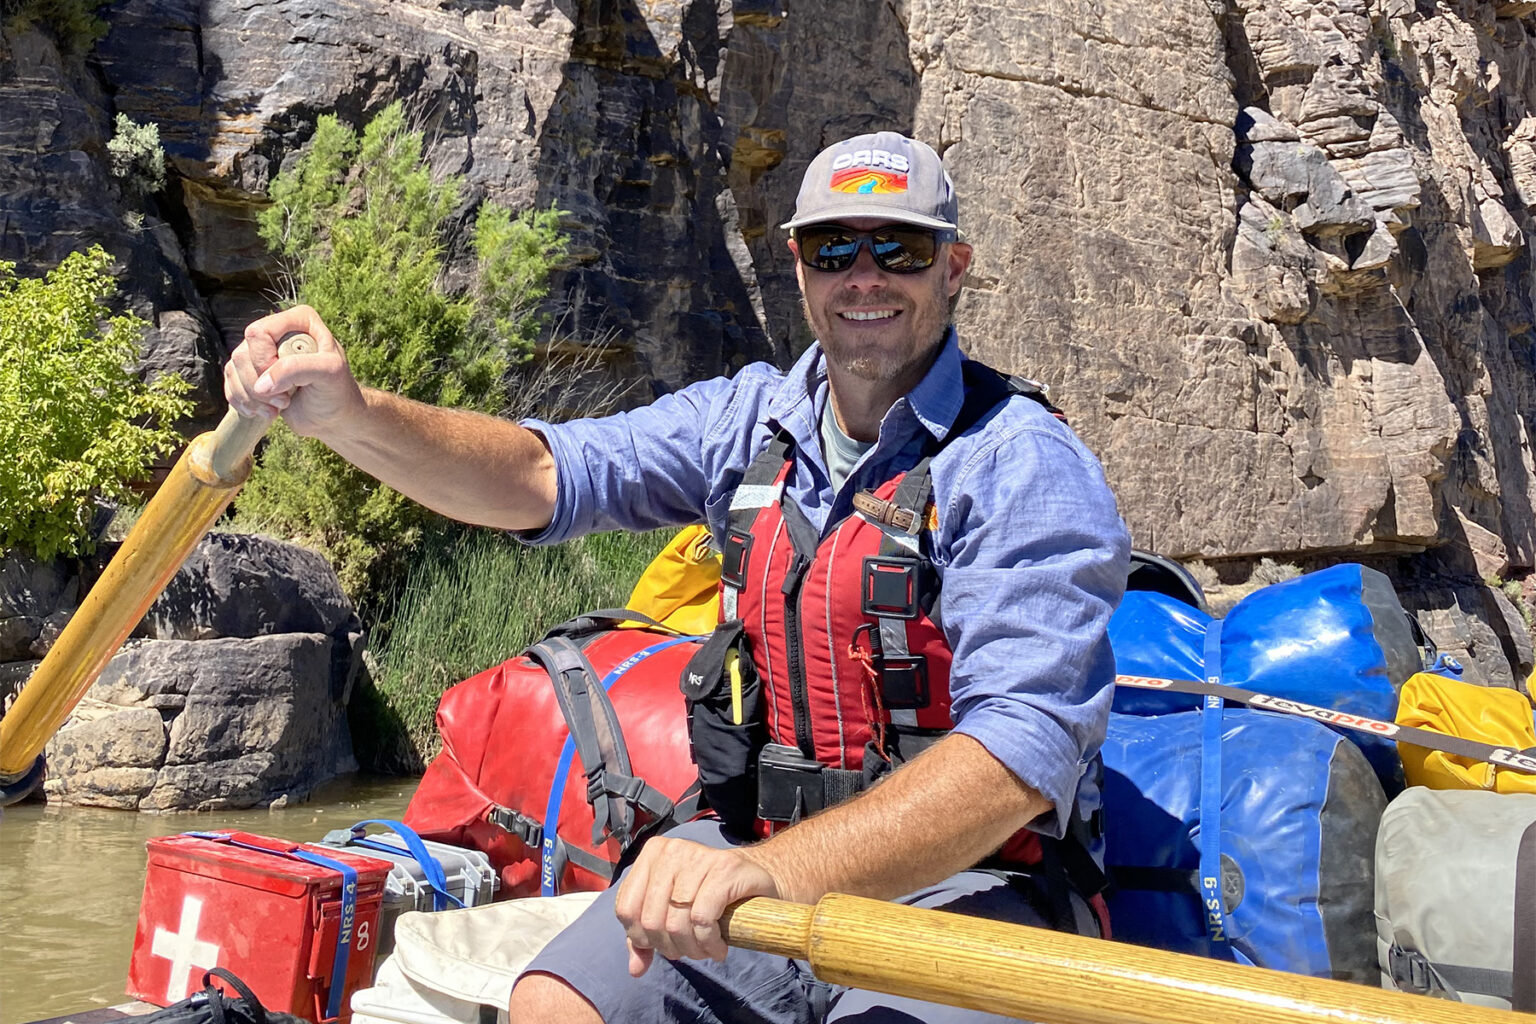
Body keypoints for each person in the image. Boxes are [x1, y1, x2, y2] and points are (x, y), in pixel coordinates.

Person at [225, 130, 1129, 1023]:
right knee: (554, 1005)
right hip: (752, 842)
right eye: (834, 247)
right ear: (799, 263)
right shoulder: (744, 421)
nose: (865, 275)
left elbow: (1020, 752)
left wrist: (780, 873)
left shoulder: (1020, 463)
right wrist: (350, 417)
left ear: (953, 266)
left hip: (968, 880)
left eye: (899, 248)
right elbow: (543, 475)